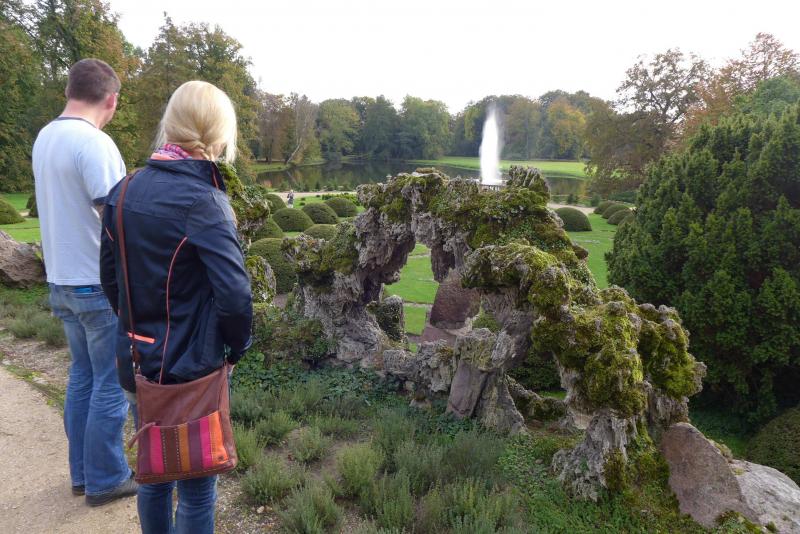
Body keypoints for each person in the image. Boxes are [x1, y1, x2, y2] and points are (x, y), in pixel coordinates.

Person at [100, 80, 253, 534]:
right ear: (220, 133)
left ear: (171, 123)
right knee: (196, 488)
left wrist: (135, 328)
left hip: (137, 361)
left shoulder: (124, 190)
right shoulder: (205, 202)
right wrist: (237, 348)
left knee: (154, 473)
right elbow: (235, 296)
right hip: (191, 372)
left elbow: (111, 280)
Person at [32, 58, 137, 507]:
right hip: (96, 283)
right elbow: (113, 217)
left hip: (61, 278)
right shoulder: (94, 143)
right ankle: (106, 479)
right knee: (110, 382)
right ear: (111, 99)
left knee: (82, 377)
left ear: (69, 91)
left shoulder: (46, 137)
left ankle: (82, 474)